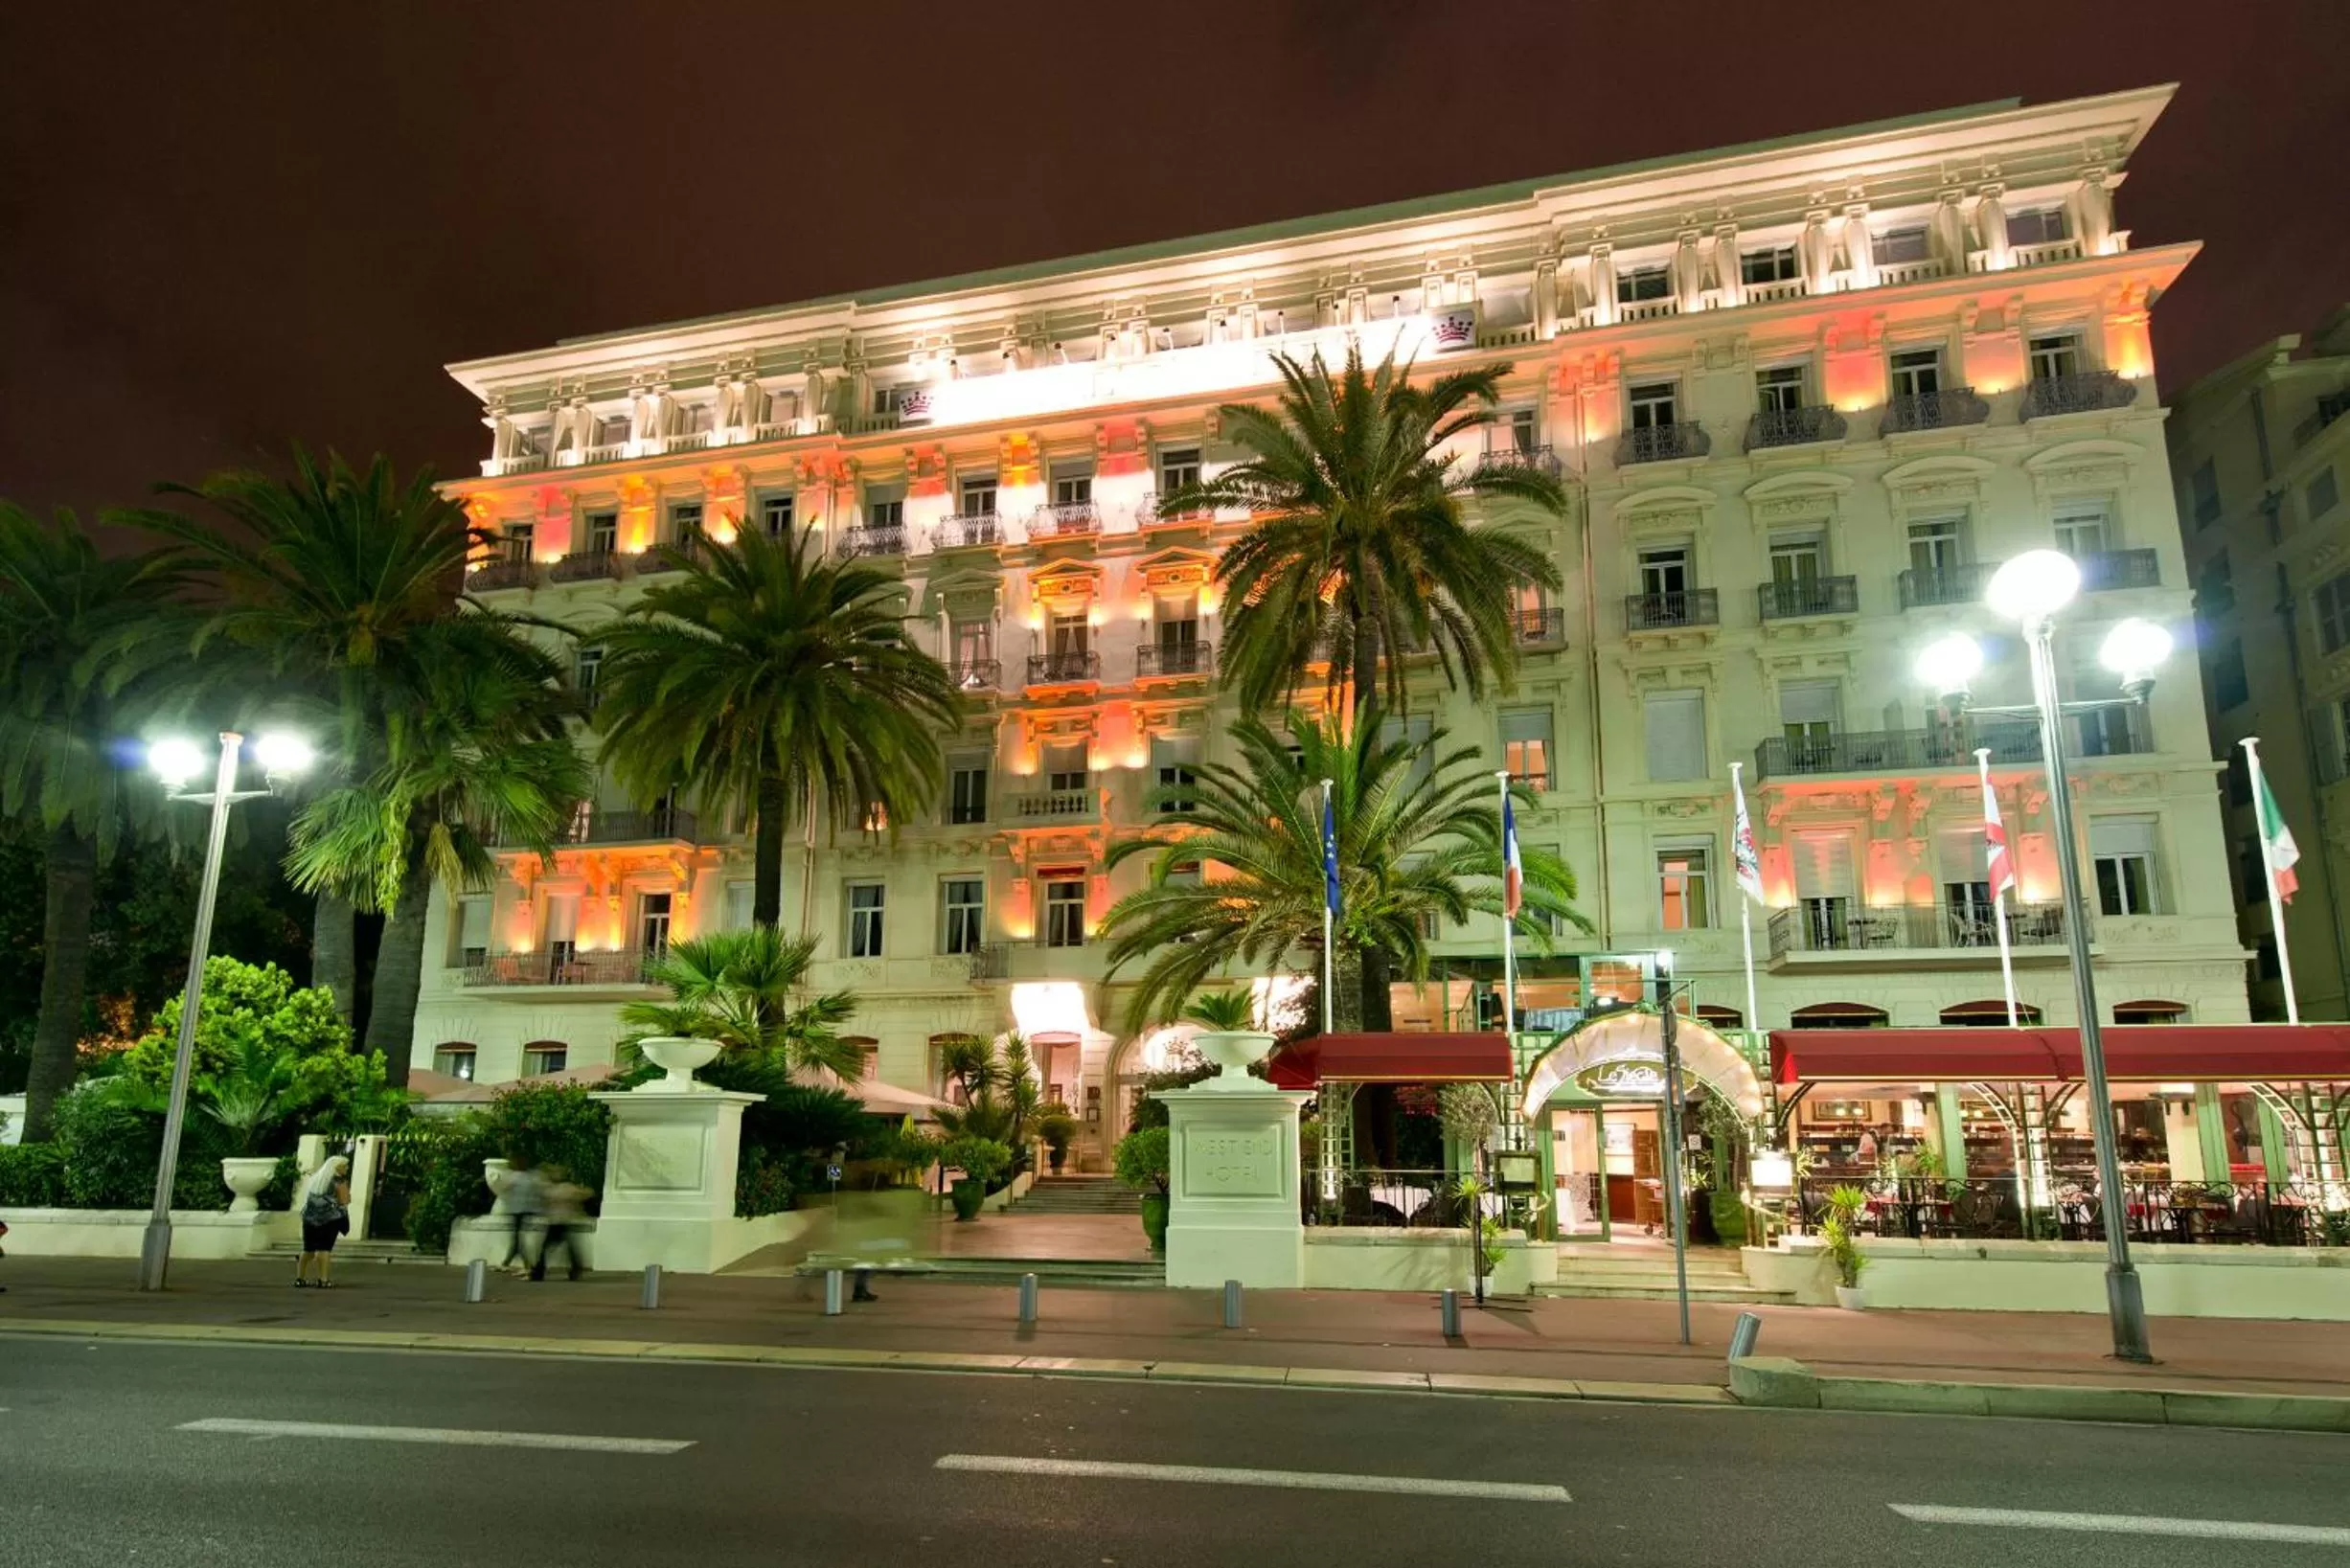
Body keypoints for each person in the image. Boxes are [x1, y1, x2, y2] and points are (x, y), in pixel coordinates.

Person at [294, 1155, 351, 1288]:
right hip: (330, 1219)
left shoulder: (316, 1179)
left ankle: (300, 1278)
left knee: (308, 1249)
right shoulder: (339, 1181)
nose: (347, 1168)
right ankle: (323, 1280)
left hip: (309, 1218)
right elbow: (344, 1201)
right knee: (324, 1249)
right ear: (337, 1167)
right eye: (345, 1166)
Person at [531, 1165, 586, 1282]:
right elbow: (583, 1195)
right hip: (562, 1221)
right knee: (570, 1249)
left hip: (557, 1222)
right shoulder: (566, 1188)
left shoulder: (556, 1188)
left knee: (547, 1249)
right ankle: (575, 1270)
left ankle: (538, 1273)